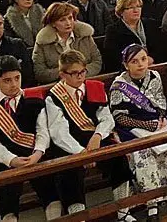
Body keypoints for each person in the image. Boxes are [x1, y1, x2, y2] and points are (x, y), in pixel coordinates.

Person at [109, 45, 167, 220]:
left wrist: (162, 117)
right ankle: (152, 204)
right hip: (131, 129)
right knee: (145, 155)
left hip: (156, 124)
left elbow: (161, 102)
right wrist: (144, 124)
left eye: (143, 59)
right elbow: (119, 117)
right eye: (134, 61)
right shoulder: (119, 85)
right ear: (126, 65)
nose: (141, 65)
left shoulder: (154, 76)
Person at [46, 50, 135, 219]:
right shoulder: (54, 97)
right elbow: (59, 133)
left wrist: (98, 136)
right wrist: (81, 153)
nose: (80, 77)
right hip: (70, 146)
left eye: (83, 71)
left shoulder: (94, 87)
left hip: (95, 139)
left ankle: (123, 211)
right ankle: (79, 217)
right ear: (62, 74)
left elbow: (106, 118)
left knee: (118, 158)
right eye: (74, 73)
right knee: (69, 173)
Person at [0, 56, 63, 221]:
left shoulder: (34, 99)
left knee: (52, 194)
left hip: (36, 156)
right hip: (5, 163)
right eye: (7, 80)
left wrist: (38, 153)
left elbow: (42, 131)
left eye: (17, 78)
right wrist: (12, 160)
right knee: (7, 201)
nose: (14, 84)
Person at [32, 2, 102, 84]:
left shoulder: (85, 36)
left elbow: (97, 62)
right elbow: (40, 73)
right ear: (53, 23)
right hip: (56, 86)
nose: (68, 23)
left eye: (70, 18)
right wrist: (66, 74)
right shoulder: (43, 42)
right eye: (62, 20)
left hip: (86, 81)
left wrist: (79, 74)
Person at [104, 0, 167, 72]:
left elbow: (164, 47)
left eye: (138, 6)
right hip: (130, 71)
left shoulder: (152, 24)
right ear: (121, 11)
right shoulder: (113, 31)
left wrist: (152, 58)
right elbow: (113, 58)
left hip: (156, 66)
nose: (136, 10)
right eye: (130, 7)